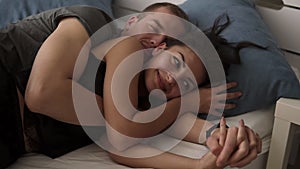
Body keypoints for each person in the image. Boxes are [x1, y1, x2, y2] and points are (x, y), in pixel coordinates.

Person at [0, 3, 255, 169]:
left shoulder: (143, 101)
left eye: (186, 83)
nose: (155, 42)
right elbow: (41, 94)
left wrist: (222, 140)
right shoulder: (105, 30)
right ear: (131, 21)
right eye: (154, 28)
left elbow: (129, 139)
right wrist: (132, 120)